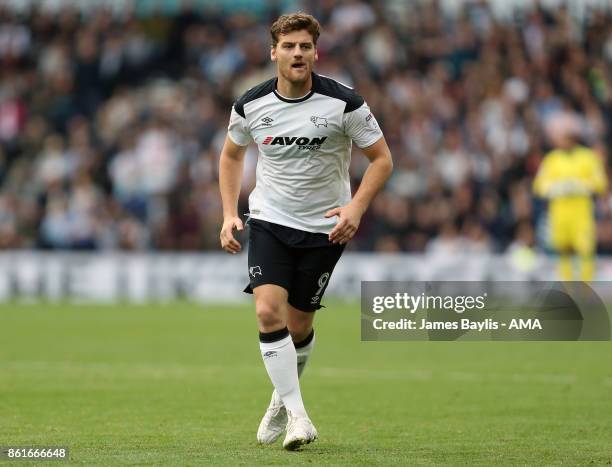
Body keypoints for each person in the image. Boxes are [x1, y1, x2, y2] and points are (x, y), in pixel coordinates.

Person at [218, 12, 393, 450]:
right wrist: (228, 213)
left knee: (298, 328)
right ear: (273, 52)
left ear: (316, 52)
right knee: (266, 313)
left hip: (325, 229)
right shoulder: (250, 104)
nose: (298, 53)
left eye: (305, 46)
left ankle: (281, 398)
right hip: (271, 220)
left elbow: (382, 159)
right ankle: (298, 416)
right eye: (290, 46)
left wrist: (356, 207)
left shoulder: (344, 103)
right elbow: (231, 157)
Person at [533, 112, 608, 281]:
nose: (559, 140)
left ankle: (587, 286)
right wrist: (556, 188)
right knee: (563, 251)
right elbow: (539, 186)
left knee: (585, 250)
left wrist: (580, 186)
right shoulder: (552, 159)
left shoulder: (588, 157)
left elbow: (600, 183)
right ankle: (566, 286)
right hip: (559, 214)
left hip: (581, 213)